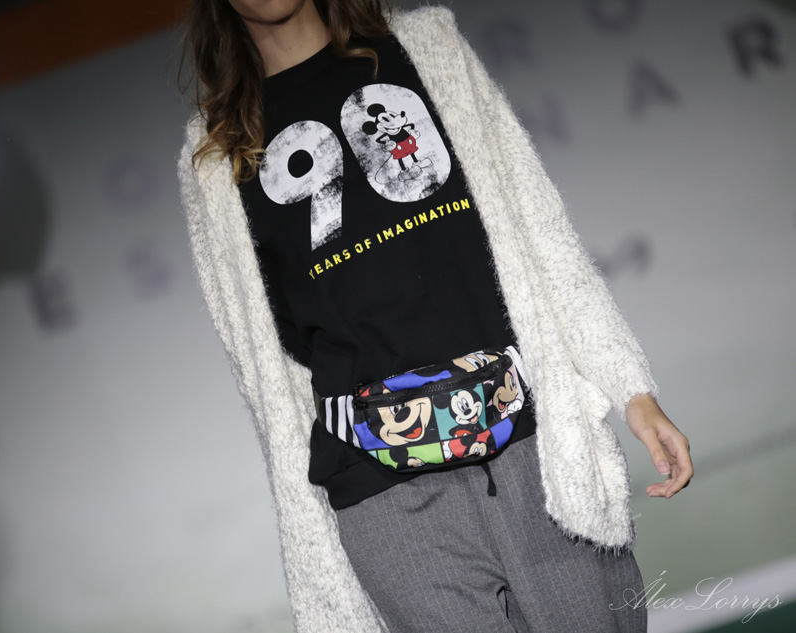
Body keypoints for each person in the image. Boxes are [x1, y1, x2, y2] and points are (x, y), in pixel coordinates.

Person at [177, 1, 694, 632]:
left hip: (531, 448)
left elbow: (538, 226)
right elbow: (264, 370)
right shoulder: (214, 153)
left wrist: (630, 387)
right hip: (381, 490)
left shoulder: (426, 48)